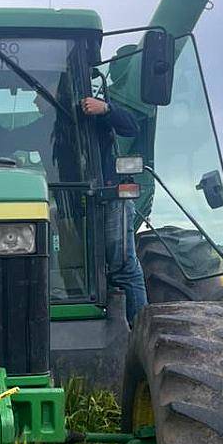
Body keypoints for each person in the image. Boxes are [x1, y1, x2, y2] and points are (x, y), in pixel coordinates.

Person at [81, 95, 148, 324]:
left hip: (108, 198)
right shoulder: (52, 124)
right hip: (75, 202)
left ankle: (139, 330)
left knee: (122, 265)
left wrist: (106, 109)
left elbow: (131, 127)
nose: (34, 103)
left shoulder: (92, 108)